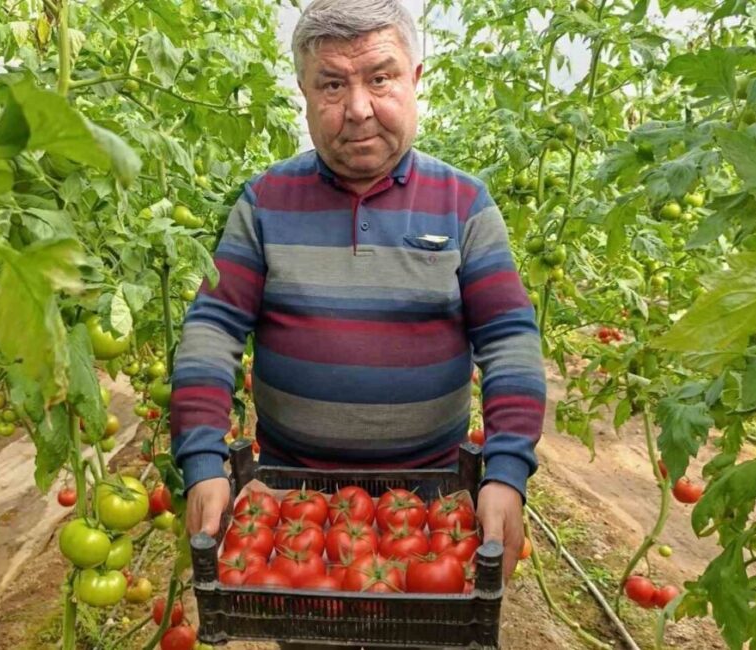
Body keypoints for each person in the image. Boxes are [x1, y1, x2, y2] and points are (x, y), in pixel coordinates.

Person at [170, 0, 545, 643]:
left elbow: (508, 337)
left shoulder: (465, 204)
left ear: (415, 80)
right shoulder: (264, 203)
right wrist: (203, 458)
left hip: (429, 512)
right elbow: (214, 327)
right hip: (291, 512)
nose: (359, 108)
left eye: (380, 77)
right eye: (332, 85)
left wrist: (506, 472)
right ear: (304, 93)